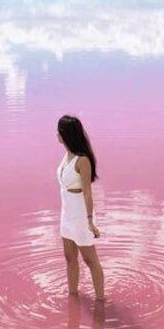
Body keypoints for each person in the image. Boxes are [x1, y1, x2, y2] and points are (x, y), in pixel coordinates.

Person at [57, 115, 105, 301]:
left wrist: (90, 221)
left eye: (59, 131)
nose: (56, 134)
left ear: (66, 134)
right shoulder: (66, 155)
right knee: (69, 258)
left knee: (90, 260)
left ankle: (100, 300)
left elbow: (87, 192)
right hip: (66, 215)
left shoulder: (82, 160)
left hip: (80, 216)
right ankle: (73, 297)